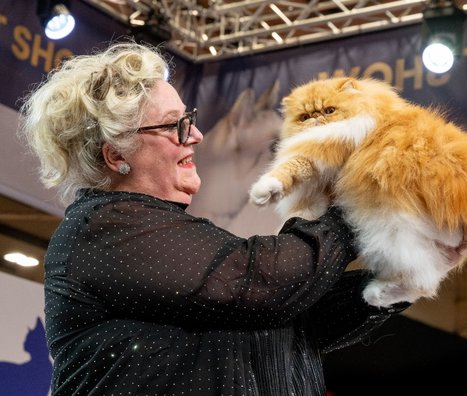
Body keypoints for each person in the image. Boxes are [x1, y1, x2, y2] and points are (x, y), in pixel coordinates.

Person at [18, 41, 411, 395]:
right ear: (117, 155)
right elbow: (263, 283)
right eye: (174, 125)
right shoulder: (103, 229)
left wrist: (396, 279)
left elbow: (295, 324)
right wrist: (358, 199)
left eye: (187, 118)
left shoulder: (171, 244)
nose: (196, 135)